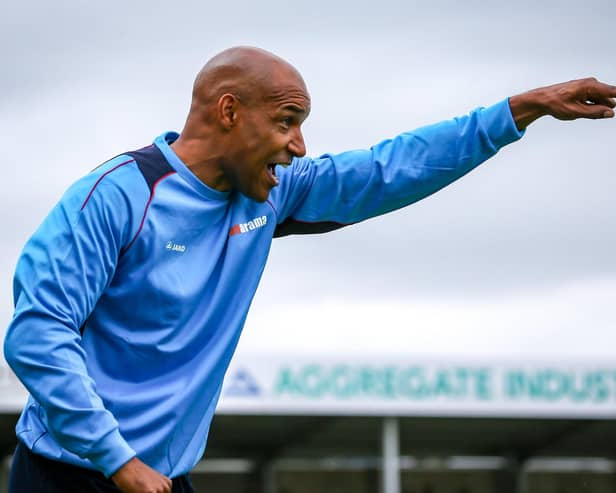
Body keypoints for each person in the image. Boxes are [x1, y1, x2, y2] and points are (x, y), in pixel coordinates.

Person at [3, 46, 615, 493]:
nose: (298, 146)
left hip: (160, 479)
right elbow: (37, 335)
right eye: (287, 121)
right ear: (228, 111)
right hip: (70, 475)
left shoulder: (270, 194)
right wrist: (117, 459)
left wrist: (517, 112)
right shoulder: (114, 196)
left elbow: (384, 169)